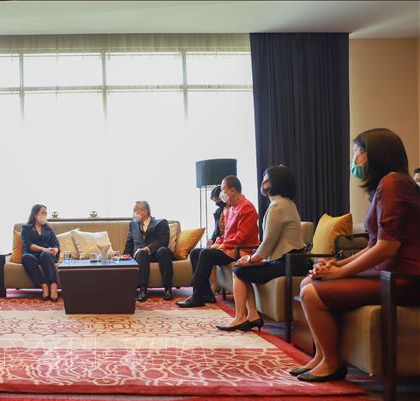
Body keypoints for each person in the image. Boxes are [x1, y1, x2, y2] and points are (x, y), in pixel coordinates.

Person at [296, 128, 420, 382]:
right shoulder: (384, 186)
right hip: (387, 271)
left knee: (312, 292)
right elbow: (372, 244)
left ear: (374, 153)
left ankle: (333, 362)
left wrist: (340, 272)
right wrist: (335, 263)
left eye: (357, 152)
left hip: (403, 277)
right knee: (309, 281)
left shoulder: (393, 183)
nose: (354, 159)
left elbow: (387, 247)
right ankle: (321, 356)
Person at [216, 165, 306, 332]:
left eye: (266, 178)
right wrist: (255, 259)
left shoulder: (277, 206)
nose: (263, 182)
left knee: (239, 270)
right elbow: (272, 244)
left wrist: (251, 259)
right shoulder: (286, 203)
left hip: (287, 262)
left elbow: (267, 244)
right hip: (292, 260)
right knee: (244, 268)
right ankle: (252, 315)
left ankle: (240, 317)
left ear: (276, 182)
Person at [177, 175, 259, 308]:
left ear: (232, 190)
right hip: (229, 248)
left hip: (241, 250)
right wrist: (217, 243)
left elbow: (240, 237)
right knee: (196, 253)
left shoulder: (247, 208)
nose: (221, 193)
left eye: (223, 189)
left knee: (206, 254)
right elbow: (225, 234)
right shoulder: (230, 208)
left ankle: (196, 295)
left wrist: (221, 245)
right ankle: (207, 294)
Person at [122, 201, 174, 302]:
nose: (133, 213)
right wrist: (125, 256)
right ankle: (143, 290)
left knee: (163, 251)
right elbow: (129, 242)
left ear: (145, 211)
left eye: (135, 210)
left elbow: (163, 241)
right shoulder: (132, 224)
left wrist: (147, 248)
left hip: (157, 253)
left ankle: (168, 289)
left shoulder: (161, 222)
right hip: (141, 255)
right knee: (141, 253)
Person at [21, 204, 60, 301]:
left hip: (46, 255)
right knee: (26, 258)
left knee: (46, 255)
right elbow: (28, 244)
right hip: (32, 253)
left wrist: (55, 249)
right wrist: (43, 248)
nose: (45, 215)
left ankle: (53, 285)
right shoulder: (26, 228)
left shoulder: (48, 228)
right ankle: (43, 285)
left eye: (46, 213)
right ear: (35, 215)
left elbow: (55, 243)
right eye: (42, 213)